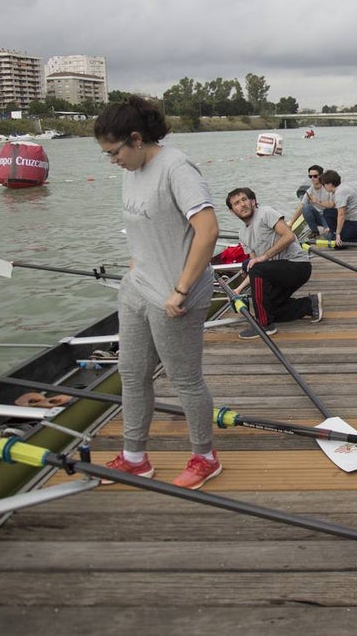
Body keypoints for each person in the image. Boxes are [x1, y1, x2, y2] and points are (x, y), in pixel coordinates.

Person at [94, 96, 222, 490]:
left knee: (185, 381)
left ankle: (205, 457)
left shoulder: (176, 168)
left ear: (136, 139)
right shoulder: (130, 170)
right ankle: (135, 458)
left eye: (114, 152)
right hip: (137, 289)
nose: (112, 160)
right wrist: (137, 262)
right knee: (132, 375)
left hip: (175, 297)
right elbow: (143, 226)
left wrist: (180, 289)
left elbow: (208, 231)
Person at [225, 186, 322, 338]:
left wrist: (263, 257)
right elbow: (253, 266)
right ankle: (309, 305)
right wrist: (238, 290)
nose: (242, 204)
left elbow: (289, 236)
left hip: (297, 266)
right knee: (272, 309)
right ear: (232, 211)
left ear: (253, 201)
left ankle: (264, 325)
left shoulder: (265, 213)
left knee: (259, 268)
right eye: (236, 203)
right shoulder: (242, 234)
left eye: (244, 199)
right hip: (275, 273)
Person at [319, 169, 357, 245]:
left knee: (339, 243)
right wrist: (316, 201)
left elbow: (341, 214)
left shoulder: (340, 192)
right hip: (352, 219)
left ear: (330, 184)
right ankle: (334, 233)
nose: (323, 187)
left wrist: (338, 235)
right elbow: (331, 205)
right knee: (327, 212)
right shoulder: (337, 190)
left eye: (324, 184)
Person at [289, 164, 334, 238]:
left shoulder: (328, 188)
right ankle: (314, 231)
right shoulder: (309, 191)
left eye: (315, 176)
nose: (312, 178)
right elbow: (301, 207)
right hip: (318, 216)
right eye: (310, 176)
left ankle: (330, 230)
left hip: (328, 216)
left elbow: (334, 206)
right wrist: (291, 223)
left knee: (329, 237)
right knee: (305, 207)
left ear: (321, 176)